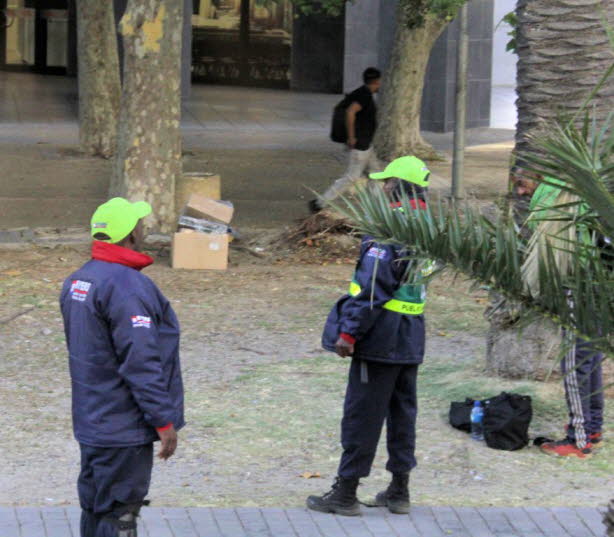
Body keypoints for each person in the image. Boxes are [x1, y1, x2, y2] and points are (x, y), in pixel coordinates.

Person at [307, 156, 432, 516]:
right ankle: (399, 490)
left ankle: (345, 493)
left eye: (385, 182)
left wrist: (348, 332)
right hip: (412, 335)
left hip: (380, 337)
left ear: (395, 186)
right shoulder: (429, 224)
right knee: (402, 413)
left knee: (363, 414)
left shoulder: (388, 227)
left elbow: (373, 287)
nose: (381, 187)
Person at [60, 198, 185, 537]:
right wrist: (163, 420)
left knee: (96, 508)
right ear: (131, 233)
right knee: (119, 515)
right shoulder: (128, 288)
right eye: (138, 223)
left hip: (93, 421)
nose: (143, 227)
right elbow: (141, 362)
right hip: (122, 428)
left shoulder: (78, 281)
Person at [512, 172, 604, 458]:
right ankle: (593, 427)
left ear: (537, 178)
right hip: (599, 288)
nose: (520, 193)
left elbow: (548, 255)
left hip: (580, 290)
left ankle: (578, 440)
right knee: (590, 359)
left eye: (521, 183)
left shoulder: (552, 202)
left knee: (575, 365)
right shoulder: (575, 193)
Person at [309, 67, 382, 212]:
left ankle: (376, 207)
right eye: (380, 81)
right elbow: (350, 112)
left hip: (366, 143)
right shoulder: (364, 95)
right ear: (376, 81)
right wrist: (351, 137)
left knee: (375, 173)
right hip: (360, 144)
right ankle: (319, 203)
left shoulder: (362, 92)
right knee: (352, 177)